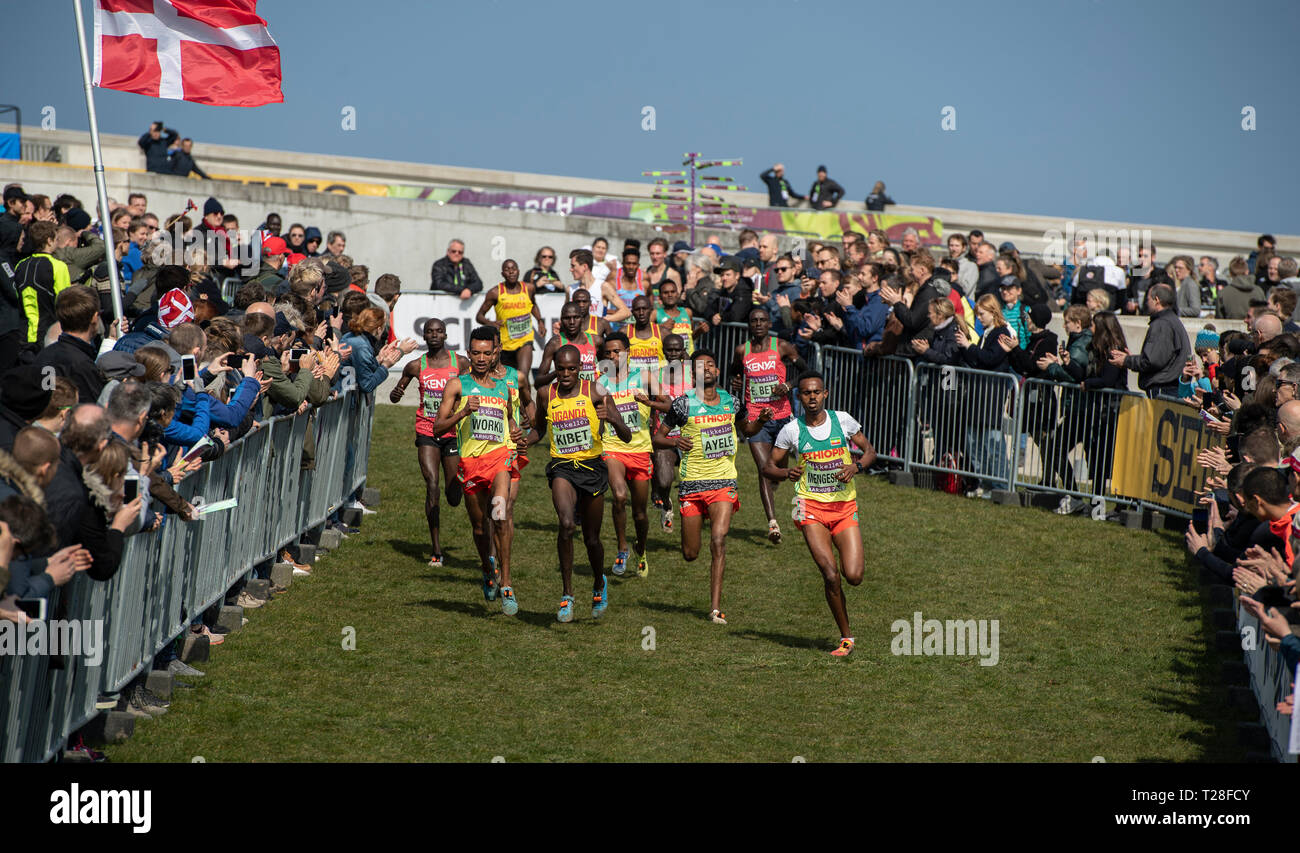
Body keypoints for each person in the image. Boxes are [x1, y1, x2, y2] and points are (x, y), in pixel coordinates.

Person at [762, 372, 877, 656]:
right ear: (798, 397)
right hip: (809, 507)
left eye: (816, 392)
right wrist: (785, 471)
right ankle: (846, 637)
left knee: (854, 576)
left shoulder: (843, 421)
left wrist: (857, 466)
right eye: (805, 393)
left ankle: (846, 630)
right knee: (829, 573)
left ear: (825, 394)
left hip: (843, 507)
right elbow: (767, 467)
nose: (811, 397)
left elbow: (870, 451)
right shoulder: (792, 430)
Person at [655, 349, 772, 624]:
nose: (705, 369)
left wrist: (762, 422)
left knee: (718, 542)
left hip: (723, 482)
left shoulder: (732, 402)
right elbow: (658, 438)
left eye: (710, 364)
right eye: (699, 366)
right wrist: (675, 442)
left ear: (717, 372)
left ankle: (715, 609)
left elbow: (748, 430)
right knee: (690, 553)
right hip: (692, 484)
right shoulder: (682, 405)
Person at [526, 345, 631, 623]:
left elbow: (627, 434)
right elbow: (538, 429)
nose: (566, 374)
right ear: (555, 369)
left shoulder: (596, 392)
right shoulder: (546, 394)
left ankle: (599, 582)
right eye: (561, 369)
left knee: (592, 539)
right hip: (562, 467)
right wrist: (520, 441)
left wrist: (613, 421)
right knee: (566, 524)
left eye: (571, 369)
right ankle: (567, 594)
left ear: (580, 368)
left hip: (593, 468)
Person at [429, 326, 524, 614]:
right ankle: (487, 568)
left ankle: (506, 582)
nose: (481, 358)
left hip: (500, 459)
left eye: (487, 352)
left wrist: (517, 434)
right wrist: (462, 413)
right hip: (471, 463)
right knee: (481, 527)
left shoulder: (505, 386)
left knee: (500, 514)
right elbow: (437, 427)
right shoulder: (458, 386)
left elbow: (510, 423)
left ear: (495, 353)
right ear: (468, 353)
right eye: (476, 353)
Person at [389, 318, 468, 568]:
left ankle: (456, 487)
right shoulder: (415, 366)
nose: (434, 335)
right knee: (432, 485)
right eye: (429, 332)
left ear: (445, 335)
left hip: (453, 431)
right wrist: (396, 393)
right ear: (424, 336)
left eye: (438, 331)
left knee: (453, 494)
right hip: (426, 430)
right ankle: (436, 549)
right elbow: (395, 394)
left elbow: (473, 389)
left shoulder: (460, 363)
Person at [729, 306, 805, 542]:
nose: (758, 324)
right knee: (764, 469)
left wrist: (789, 386)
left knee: (779, 467)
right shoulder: (742, 351)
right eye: (754, 321)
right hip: (756, 418)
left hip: (782, 416)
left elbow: (807, 371)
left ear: (769, 324)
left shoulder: (781, 346)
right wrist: (736, 381)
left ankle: (778, 479)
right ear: (749, 325)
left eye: (763, 320)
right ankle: (773, 524)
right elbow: (735, 374)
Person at [599, 333, 669, 579]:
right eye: (608, 353)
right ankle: (621, 548)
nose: (612, 356)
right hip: (612, 448)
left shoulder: (644, 377)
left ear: (628, 352)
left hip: (640, 450)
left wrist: (648, 403)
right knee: (619, 496)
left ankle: (641, 548)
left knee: (640, 513)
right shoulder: (601, 382)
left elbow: (668, 404)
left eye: (616, 351)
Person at [1109, 284, 1191, 399]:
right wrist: (1131, 358)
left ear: (1156, 300)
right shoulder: (1170, 320)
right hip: (1167, 387)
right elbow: (1158, 356)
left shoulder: (1162, 324)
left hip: (1163, 389)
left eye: (1148, 299)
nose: (1146, 303)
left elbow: (1153, 360)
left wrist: (1127, 360)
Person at [475, 259, 542, 392]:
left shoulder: (528, 288)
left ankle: (528, 409)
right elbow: (479, 316)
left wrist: (540, 321)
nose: (511, 272)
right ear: (502, 273)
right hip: (505, 343)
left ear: (518, 271)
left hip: (524, 340)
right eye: (507, 269)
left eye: (514, 268)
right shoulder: (495, 292)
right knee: (508, 380)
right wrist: (491, 323)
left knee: (522, 375)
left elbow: (533, 304)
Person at [650, 333, 689, 531]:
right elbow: (649, 408)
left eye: (677, 349)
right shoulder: (654, 376)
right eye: (669, 349)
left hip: (691, 439)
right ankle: (666, 505)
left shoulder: (694, 375)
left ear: (683, 351)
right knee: (664, 482)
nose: (673, 353)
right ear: (663, 351)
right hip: (664, 437)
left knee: (693, 486)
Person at [537, 302, 602, 385]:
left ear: (582, 318)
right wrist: (559, 371)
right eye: (567, 318)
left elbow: (607, 367)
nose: (572, 322)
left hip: (591, 395)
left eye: (576, 317)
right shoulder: (554, 344)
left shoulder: (596, 341)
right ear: (561, 320)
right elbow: (538, 382)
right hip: (567, 395)